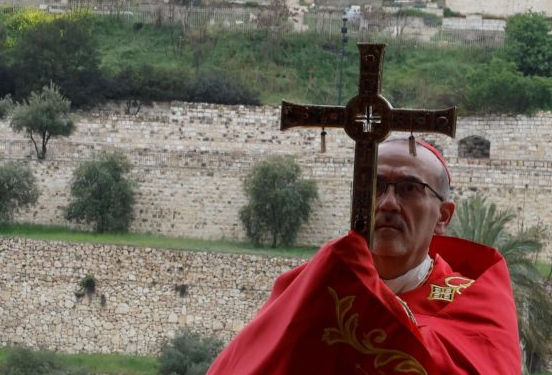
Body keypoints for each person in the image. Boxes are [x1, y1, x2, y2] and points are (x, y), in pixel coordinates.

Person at [208, 137, 521, 375]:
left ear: (443, 215)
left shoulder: (473, 302)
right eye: (376, 186)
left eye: (409, 189)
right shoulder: (312, 287)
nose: (387, 203)